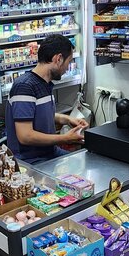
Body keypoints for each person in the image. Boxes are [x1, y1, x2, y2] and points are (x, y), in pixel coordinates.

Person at [5, 34, 87, 162]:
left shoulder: (45, 84)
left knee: (82, 162)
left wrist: (67, 119)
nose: (67, 68)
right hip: (30, 160)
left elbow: (39, 115)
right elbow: (25, 136)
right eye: (69, 61)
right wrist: (65, 138)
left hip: (49, 153)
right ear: (58, 59)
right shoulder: (24, 87)